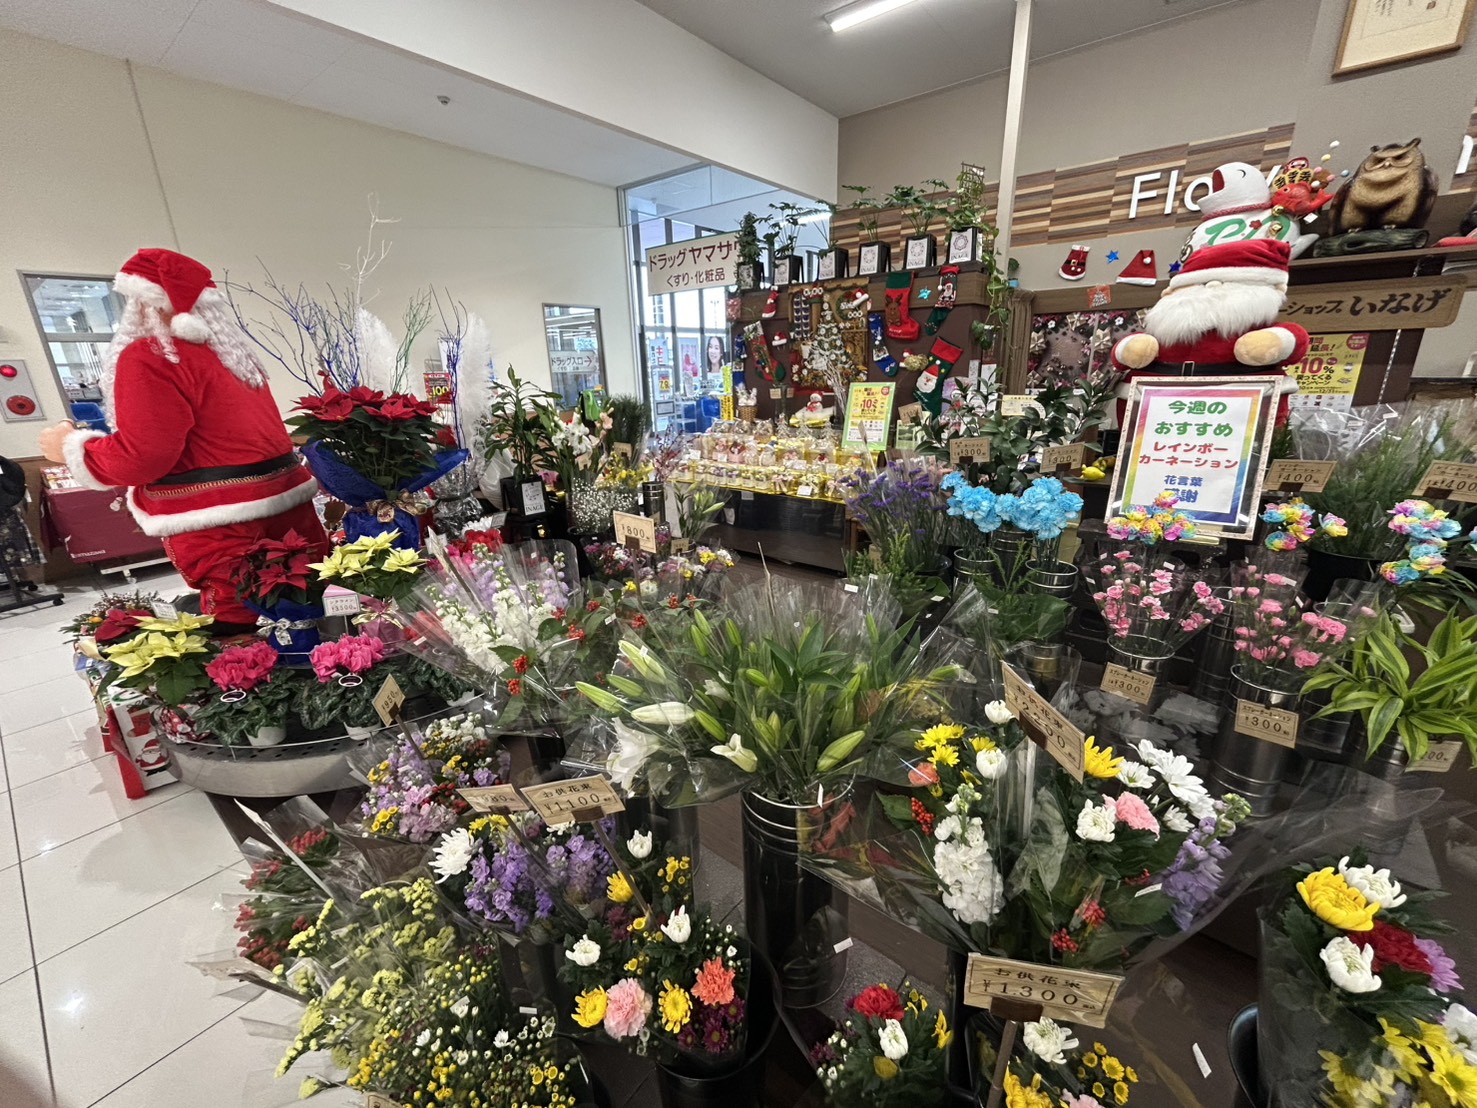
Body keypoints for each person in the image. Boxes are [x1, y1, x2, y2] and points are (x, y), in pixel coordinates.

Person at [37, 248, 328, 626]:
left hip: (217, 520)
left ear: (144, 302)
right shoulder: (233, 356)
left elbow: (143, 456)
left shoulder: (151, 356)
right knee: (310, 606)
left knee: (238, 622)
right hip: (287, 501)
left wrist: (70, 447)